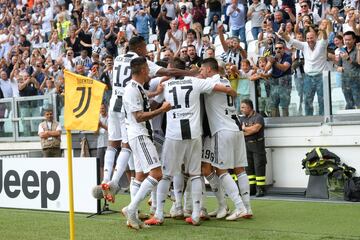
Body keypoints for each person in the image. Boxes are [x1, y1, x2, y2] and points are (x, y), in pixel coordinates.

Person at [145, 57, 237, 226]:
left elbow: (152, 105)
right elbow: (221, 88)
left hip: (174, 134)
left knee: (167, 174)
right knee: (195, 174)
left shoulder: (166, 85)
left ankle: (159, 213)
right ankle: (195, 214)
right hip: (195, 134)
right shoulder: (195, 82)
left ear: (172, 70)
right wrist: (232, 92)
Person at [122, 57, 172, 230]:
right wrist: (162, 109)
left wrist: (156, 93)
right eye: (148, 69)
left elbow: (143, 98)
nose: (150, 71)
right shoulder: (131, 90)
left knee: (140, 175)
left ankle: (133, 216)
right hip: (140, 135)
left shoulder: (137, 88)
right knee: (157, 174)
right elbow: (138, 116)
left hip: (139, 135)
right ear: (143, 70)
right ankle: (131, 209)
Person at [200, 58, 252, 221]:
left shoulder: (210, 83)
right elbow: (232, 92)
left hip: (222, 130)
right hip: (237, 128)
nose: (201, 72)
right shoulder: (226, 80)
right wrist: (232, 92)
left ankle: (239, 207)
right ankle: (248, 207)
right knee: (240, 169)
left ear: (208, 70)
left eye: (202, 69)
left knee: (221, 170)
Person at [279, 24, 328, 116]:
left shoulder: (321, 44)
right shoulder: (304, 45)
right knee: (307, 100)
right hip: (308, 77)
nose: (310, 40)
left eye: (311, 38)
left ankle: (324, 117)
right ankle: (309, 118)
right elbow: (292, 41)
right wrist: (283, 35)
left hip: (321, 77)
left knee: (323, 99)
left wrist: (324, 31)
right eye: (308, 38)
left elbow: (325, 39)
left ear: (316, 37)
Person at [239, 99, 267, 197]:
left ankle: (261, 189)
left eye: (243, 107)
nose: (241, 109)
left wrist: (244, 129)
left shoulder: (258, 117)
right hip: (246, 145)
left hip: (257, 145)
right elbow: (240, 132)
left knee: (259, 166)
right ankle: (252, 189)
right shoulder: (241, 119)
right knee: (249, 168)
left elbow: (255, 129)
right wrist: (247, 130)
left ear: (249, 107)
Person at [96, 103, 109, 182]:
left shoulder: (110, 117)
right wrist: (97, 127)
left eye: (103, 108)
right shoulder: (97, 119)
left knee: (111, 163)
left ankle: (110, 180)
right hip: (100, 144)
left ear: (106, 109)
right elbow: (95, 133)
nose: (102, 110)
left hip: (109, 144)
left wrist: (101, 125)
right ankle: (102, 180)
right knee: (101, 164)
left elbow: (112, 130)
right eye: (100, 109)